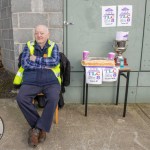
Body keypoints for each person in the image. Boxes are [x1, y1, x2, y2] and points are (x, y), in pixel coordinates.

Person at [16, 25, 61, 147]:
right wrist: (43, 65)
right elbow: (25, 63)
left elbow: (55, 61)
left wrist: (35, 58)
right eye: (37, 33)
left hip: (50, 80)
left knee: (53, 98)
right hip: (31, 80)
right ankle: (40, 128)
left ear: (48, 34)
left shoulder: (53, 46)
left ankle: (36, 130)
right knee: (21, 98)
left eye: (42, 33)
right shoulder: (29, 45)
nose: (39, 35)